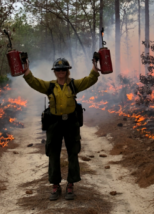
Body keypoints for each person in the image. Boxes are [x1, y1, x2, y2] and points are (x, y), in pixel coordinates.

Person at [23, 57, 100, 201]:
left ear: (67, 71)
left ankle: (70, 184)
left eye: (63, 69)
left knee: (73, 153)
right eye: (58, 69)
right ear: (55, 72)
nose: (61, 72)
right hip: (54, 123)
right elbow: (34, 83)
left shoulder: (73, 85)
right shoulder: (50, 86)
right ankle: (55, 185)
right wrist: (26, 71)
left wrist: (95, 69)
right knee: (53, 153)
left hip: (71, 123)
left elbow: (89, 80)